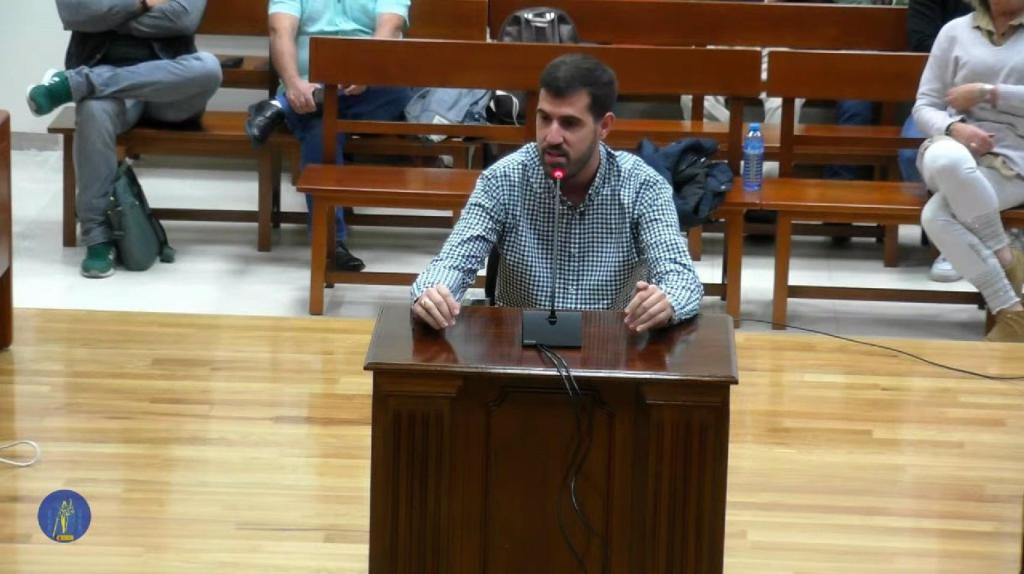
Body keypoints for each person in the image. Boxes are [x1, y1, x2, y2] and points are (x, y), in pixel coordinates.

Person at [411, 54, 704, 333]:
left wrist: (666, 301)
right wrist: (434, 294)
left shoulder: (643, 187)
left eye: (569, 123)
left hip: (613, 352)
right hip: (519, 352)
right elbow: (452, 263)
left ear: (604, 126)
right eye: (544, 119)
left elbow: (681, 278)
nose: (551, 137)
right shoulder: (502, 180)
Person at [27, 0, 221, 278]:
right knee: (93, 110)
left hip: (169, 85)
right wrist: (143, 4)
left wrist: (107, 16)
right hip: (112, 95)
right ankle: (96, 237)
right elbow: (76, 13)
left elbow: (182, 18)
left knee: (208, 68)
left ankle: (77, 83)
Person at [244, 0, 414, 272]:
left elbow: (389, 27)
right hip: (305, 86)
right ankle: (331, 242)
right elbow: (280, 32)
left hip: (372, 86)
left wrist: (366, 70)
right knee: (320, 129)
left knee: (400, 92)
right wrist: (292, 83)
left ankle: (279, 109)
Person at [914, 0, 1024, 341]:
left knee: (936, 217)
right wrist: (954, 129)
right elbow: (924, 105)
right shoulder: (954, 31)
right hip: (951, 144)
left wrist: (987, 93)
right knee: (949, 161)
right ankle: (1008, 259)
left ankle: (1012, 315)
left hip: (1013, 158)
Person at [906, 0, 974, 282]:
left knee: (1002, 157)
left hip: (1007, 114)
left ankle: (975, 237)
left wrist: (990, 91)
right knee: (911, 153)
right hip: (947, 98)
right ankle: (948, 241)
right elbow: (921, 41)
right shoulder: (955, 31)